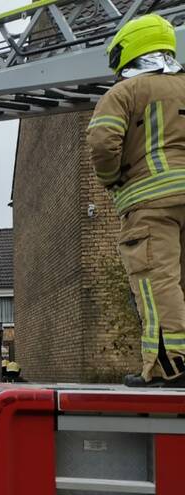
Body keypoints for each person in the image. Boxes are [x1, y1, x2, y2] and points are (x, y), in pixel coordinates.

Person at [87, 14, 185, 387]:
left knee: (157, 282)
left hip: (150, 203)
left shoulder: (124, 93)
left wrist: (113, 179)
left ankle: (168, 366)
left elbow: (102, 143)